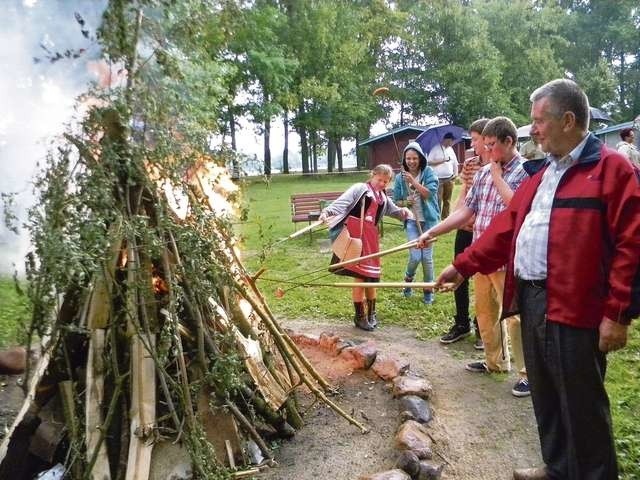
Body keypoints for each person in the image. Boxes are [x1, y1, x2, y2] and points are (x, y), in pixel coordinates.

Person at [427, 79, 640, 480]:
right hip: (533, 298)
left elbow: (633, 243)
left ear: (569, 119)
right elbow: (506, 228)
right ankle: (559, 467)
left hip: (578, 305)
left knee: (581, 399)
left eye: (540, 121)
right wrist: (463, 265)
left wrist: (618, 312)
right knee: (545, 391)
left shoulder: (612, 170)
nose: (534, 129)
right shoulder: (543, 174)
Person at [419, 116, 530, 398]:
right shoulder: (481, 174)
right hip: (482, 254)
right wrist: (434, 231)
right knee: (485, 311)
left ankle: (528, 373)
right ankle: (495, 362)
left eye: (492, 145)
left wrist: (496, 174)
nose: (486, 151)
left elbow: (516, 208)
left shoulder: (525, 172)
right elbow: (466, 212)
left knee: (516, 317)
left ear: (509, 141)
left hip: (508, 258)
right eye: (486, 144)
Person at [319, 164, 412, 331]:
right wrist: (327, 212)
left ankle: (372, 313)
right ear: (372, 175)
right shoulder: (360, 188)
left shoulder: (382, 196)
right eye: (379, 179)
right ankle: (359, 316)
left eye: (386, 181)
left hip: (371, 238)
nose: (382, 183)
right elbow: (343, 202)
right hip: (356, 235)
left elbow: (394, 211)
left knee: (372, 277)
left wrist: (403, 211)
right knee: (360, 277)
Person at [439, 118, 490, 348]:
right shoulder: (470, 165)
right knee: (459, 276)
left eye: (476, 139)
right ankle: (462, 324)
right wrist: (452, 222)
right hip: (465, 230)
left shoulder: (498, 166)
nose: (473, 144)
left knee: (484, 281)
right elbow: (464, 197)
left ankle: (483, 329)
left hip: (485, 234)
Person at [393, 142, 440, 305]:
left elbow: (429, 193)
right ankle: (408, 279)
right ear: (404, 160)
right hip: (413, 221)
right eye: (408, 158)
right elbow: (396, 201)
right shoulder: (400, 178)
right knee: (414, 255)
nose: (411, 161)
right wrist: (406, 201)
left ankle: (428, 289)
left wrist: (413, 182)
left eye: (414, 158)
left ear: (420, 158)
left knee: (426, 258)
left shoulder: (428, 173)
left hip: (429, 221)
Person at [427, 132, 458, 219]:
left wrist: (456, 173)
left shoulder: (450, 149)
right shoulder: (435, 148)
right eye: (452, 141)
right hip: (438, 179)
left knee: (447, 200)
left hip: (450, 178)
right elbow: (428, 162)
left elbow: (455, 162)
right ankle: (436, 218)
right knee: (438, 199)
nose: (453, 143)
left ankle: (445, 218)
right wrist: (442, 160)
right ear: (447, 140)